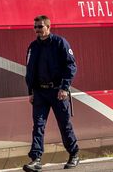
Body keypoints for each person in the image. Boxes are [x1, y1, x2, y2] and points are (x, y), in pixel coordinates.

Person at [23, 15, 79, 172]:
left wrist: (64, 87)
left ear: (48, 27)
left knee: (64, 125)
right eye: (35, 27)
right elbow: (30, 70)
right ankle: (36, 159)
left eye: (40, 27)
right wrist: (31, 91)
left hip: (57, 91)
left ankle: (74, 154)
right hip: (40, 92)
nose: (37, 30)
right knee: (38, 126)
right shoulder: (33, 47)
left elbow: (71, 66)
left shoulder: (60, 43)